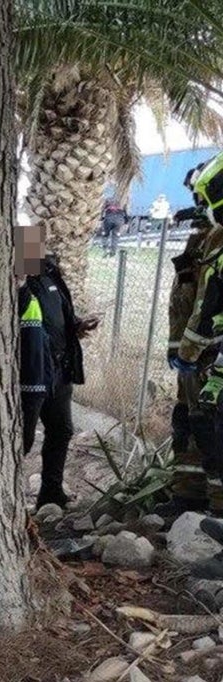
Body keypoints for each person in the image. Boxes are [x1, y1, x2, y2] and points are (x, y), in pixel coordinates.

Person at [17, 224, 98, 509]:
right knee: (22, 440)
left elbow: (60, 316)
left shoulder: (51, 275)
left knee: (61, 430)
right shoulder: (17, 283)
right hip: (31, 374)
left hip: (59, 371)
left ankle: (51, 492)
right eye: (27, 245)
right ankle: (8, 498)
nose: (35, 250)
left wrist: (77, 325)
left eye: (36, 244)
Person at [163, 164, 223, 515]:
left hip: (209, 354)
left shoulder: (216, 240)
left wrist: (191, 348)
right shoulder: (204, 238)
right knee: (188, 421)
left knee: (211, 429)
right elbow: (186, 300)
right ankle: (187, 497)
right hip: (196, 356)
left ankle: (215, 513)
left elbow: (206, 303)